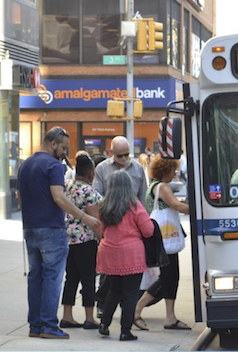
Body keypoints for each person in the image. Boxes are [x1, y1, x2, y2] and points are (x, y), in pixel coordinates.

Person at [17, 126, 101, 339]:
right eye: (63, 148)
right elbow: (59, 197)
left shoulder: (25, 164)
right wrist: (85, 217)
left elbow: (19, 198)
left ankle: (35, 325)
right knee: (52, 277)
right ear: (52, 143)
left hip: (30, 227)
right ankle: (49, 326)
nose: (65, 153)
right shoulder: (53, 166)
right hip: (51, 229)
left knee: (36, 276)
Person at [133, 155, 191, 331]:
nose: (175, 174)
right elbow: (177, 206)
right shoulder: (162, 187)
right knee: (167, 277)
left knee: (172, 277)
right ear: (165, 170)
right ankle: (136, 310)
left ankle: (170, 317)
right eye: (173, 170)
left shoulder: (154, 186)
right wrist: (203, 208)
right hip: (165, 239)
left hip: (162, 238)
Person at [96, 170, 154, 341]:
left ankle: (104, 324)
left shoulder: (104, 206)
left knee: (114, 290)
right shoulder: (134, 206)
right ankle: (125, 330)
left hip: (109, 253)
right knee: (130, 294)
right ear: (129, 186)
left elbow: (102, 230)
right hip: (131, 254)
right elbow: (148, 230)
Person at [93, 136, 148, 317]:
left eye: (126, 155)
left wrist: (139, 219)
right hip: (110, 221)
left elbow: (143, 198)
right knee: (109, 275)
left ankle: (124, 311)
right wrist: (111, 211)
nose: (124, 160)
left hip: (131, 225)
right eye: (120, 156)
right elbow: (96, 196)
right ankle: (102, 306)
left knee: (127, 279)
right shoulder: (102, 169)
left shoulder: (138, 169)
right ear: (111, 153)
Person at [60, 154, 102, 330]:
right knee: (88, 279)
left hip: (68, 239)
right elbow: (95, 220)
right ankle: (89, 317)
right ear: (90, 172)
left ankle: (67, 316)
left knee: (71, 278)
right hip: (86, 240)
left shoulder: (66, 186)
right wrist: (102, 240)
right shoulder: (90, 193)